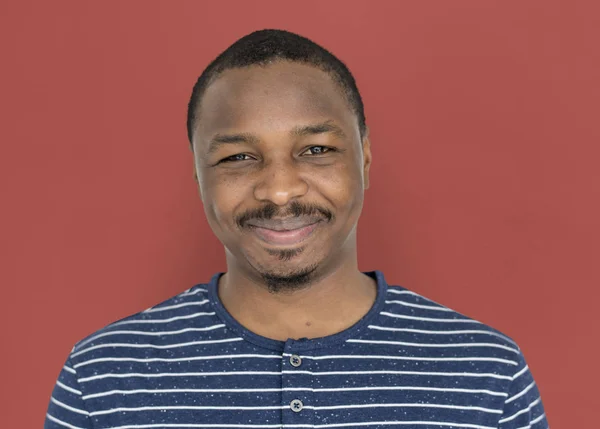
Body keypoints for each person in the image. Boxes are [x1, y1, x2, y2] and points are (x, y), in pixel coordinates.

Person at [45, 29, 548, 429]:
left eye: (316, 150)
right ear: (199, 176)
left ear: (365, 161)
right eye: (238, 157)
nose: (280, 191)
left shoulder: (485, 373)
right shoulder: (104, 376)